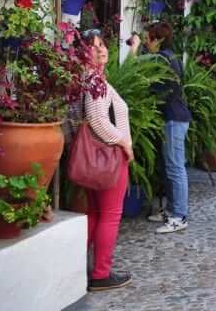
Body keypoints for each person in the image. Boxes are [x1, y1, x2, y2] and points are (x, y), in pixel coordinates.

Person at [80, 28, 134, 291]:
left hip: (93, 157)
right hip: (107, 156)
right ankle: (101, 274)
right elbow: (98, 121)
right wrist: (124, 144)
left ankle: (79, 268)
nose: (102, 49)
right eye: (94, 46)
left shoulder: (93, 78)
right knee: (110, 215)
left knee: (94, 213)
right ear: (83, 53)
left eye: (103, 44)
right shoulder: (94, 82)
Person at [130, 22, 191, 234]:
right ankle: (171, 211)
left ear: (159, 39)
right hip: (174, 117)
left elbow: (135, 66)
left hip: (175, 118)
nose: (146, 43)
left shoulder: (162, 58)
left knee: (175, 167)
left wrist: (134, 48)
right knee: (169, 166)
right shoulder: (171, 57)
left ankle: (180, 216)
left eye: (148, 39)